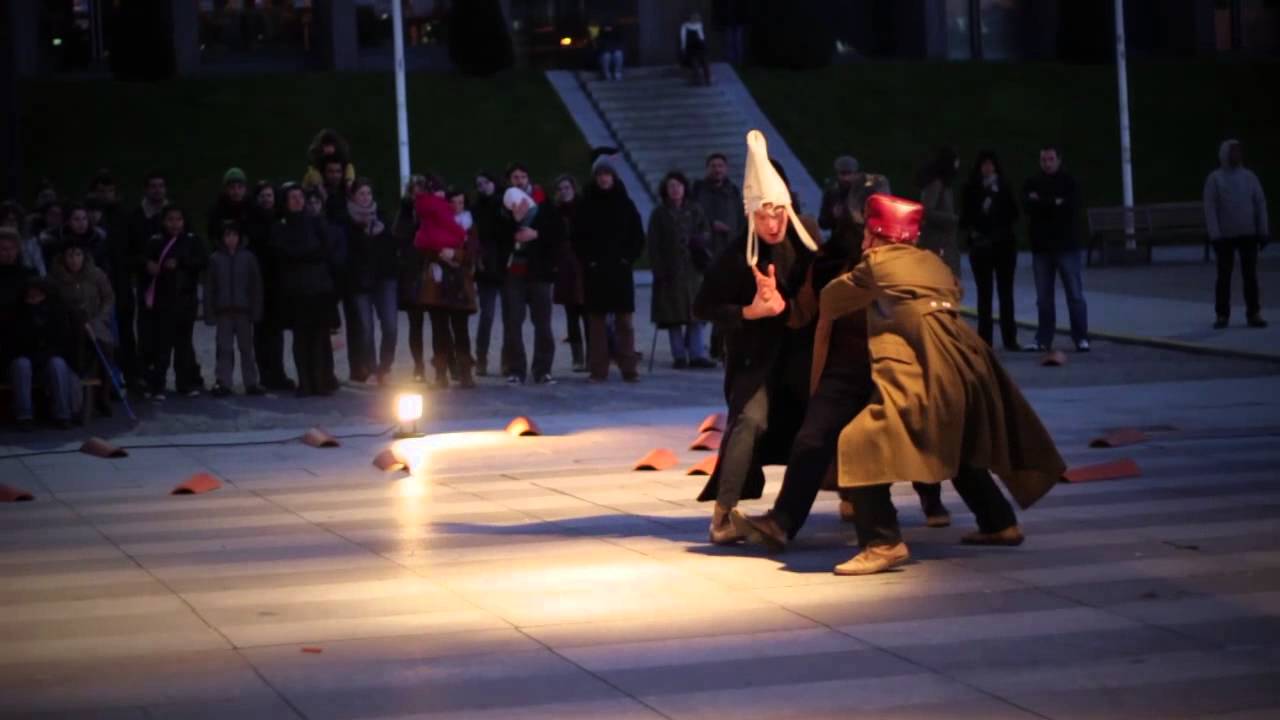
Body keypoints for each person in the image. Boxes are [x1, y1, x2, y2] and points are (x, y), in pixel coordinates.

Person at [810, 194, 1066, 575]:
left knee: (860, 439)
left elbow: (832, 299)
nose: (863, 239)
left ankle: (882, 541)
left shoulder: (877, 264)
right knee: (956, 441)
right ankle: (999, 522)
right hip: (969, 363)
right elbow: (952, 290)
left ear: (877, 234)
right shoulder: (933, 262)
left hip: (930, 366)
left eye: (867, 232)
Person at [731, 178, 951, 550]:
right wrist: (776, 303)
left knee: (913, 442)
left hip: (897, 368)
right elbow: (812, 308)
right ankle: (784, 522)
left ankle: (923, 520)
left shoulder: (913, 265)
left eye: (869, 231)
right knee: (816, 439)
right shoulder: (832, 261)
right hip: (845, 368)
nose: (862, 239)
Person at [693, 131, 821, 543]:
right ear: (751, 214)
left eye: (779, 213)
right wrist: (749, 311)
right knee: (749, 420)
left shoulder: (807, 242)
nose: (773, 224)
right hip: (756, 359)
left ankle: (863, 501)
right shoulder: (735, 256)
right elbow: (702, 306)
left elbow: (828, 282)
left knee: (829, 416)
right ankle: (723, 515)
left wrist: (794, 303)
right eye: (764, 215)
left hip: (802, 354)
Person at [573, 159, 645, 383]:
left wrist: (627, 259)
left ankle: (629, 369)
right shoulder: (586, 205)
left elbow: (637, 236)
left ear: (613, 178)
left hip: (620, 271)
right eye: (600, 175)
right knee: (596, 324)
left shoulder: (625, 203)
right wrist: (589, 261)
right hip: (595, 272)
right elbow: (577, 237)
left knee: (624, 322)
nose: (604, 179)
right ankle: (598, 369)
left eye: (607, 174)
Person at [273, 183, 336, 397]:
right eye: (293, 197)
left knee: (319, 336)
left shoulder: (315, 222)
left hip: (318, 289)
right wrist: (308, 253)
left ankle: (320, 381)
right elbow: (285, 253)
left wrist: (307, 254)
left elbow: (327, 249)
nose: (298, 200)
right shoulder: (281, 227)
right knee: (301, 338)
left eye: (300, 196)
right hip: (296, 291)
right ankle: (305, 382)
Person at [1024, 145, 1088, 352]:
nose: (1047, 163)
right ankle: (1044, 338)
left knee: (1074, 294)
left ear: (1059, 160)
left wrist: (1043, 203)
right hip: (1042, 248)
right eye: (1044, 160)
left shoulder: (1069, 182)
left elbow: (1070, 207)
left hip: (1066, 245)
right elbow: (1028, 207)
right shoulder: (1032, 182)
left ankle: (1080, 336)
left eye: (1051, 159)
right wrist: (1054, 203)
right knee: (1044, 298)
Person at [648, 171, 714, 369]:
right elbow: (653, 243)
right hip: (670, 271)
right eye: (671, 187)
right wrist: (658, 269)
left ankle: (696, 354)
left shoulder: (694, 210)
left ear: (684, 188)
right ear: (666, 190)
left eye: (678, 186)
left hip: (693, 270)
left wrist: (700, 240)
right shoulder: (660, 214)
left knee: (696, 314)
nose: (675, 190)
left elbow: (706, 230)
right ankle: (678, 355)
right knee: (673, 316)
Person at [140, 205, 206, 400]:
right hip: (163, 301)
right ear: (163, 221)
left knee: (184, 345)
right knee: (162, 345)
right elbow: (142, 261)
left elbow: (203, 262)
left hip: (186, 300)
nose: (175, 223)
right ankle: (158, 386)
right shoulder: (155, 241)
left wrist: (181, 262)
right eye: (170, 219)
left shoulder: (192, 241)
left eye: (178, 219)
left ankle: (184, 384)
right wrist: (148, 265)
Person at [961, 150, 1022, 350]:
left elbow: (1014, 213)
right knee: (984, 295)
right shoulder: (971, 189)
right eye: (984, 164)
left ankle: (1009, 338)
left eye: (990, 164)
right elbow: (965, 217)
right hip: (982, 247)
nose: (987, 168)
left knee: (1006, 294)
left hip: (1003, 246)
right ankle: (985, 339)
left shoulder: (1004, 187)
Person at [499, 184, 561, 385]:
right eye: (515, 177)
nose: (519, 181)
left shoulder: (545, 207)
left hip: (539, 273)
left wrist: (537, 234)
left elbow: (558, 234)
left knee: (543, 323)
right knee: (513, 323)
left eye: (523, 177)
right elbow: (496, 236)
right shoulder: (504, 210)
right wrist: (514, 222)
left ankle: (542, 370)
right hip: (514, 274)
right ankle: (516, 369)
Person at [419, 186, 479, 389]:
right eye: (452, 202)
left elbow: (473, 252)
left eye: (461, 202)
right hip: (438, 282)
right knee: (439, 330)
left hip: (459, 283)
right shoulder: (433, 223)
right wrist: (438, 254)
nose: (456, 206)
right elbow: (423, 246)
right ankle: (440, 374)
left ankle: (465, 373)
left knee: (461, 329)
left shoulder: (469, 225)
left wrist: (456, 255)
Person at [1205, 139, 1269, 329]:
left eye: (1238, 151)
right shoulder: (1215, 179)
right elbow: (1210, 208)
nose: (1237, 155)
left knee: (1250, 276)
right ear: (1224, 154)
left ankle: (1254, 313)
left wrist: (1263, 231)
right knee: (1224, 277)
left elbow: (1260, 203)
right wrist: (1215, 235)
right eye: (1233, 151)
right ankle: (1222, 315)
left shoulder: (1249, 177)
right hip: (1224, 237)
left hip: (1248, 234)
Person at [7, 279, 83, 430]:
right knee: (21, 365)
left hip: (50, 359)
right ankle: (24, 416)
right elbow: (13, 344)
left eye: (38, 296)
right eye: (31, 297)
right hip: (26, 358)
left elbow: (63, 343)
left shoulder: (57, 312)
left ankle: (63, 415)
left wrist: (46, 354)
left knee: (58, 364)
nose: (34, 300)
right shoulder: (18, 314)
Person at [690, 153, 744, 361]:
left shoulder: (733, 192)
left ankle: (718, 344)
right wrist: (711, 224)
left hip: (729, 252)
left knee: (725, 299)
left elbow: (740, 220)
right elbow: (693, 218)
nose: (717, 169)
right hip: (704, 253)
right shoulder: (699, 192)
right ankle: (694, 344)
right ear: (707, 168)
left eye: (720, 166)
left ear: (726, 169)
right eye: (713, 166)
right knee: (704, 299)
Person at [347, 178, 399, 385]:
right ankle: (370, 367)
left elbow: (392, 246)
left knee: (391, 326)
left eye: (368, 193)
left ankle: (385, 367)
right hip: (360, 281)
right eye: (361, 193)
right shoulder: (348, 222)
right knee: (366, 329)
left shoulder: (383, 218)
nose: (365, 197)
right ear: (353, 196)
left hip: (384, 277)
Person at [244, 180, 294, 391]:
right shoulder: (252, 221)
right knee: (262, 330)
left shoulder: (280, 219)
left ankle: (278, 373)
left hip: (277, 282)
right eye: (262, 196)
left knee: (276, 331)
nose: (266, 199)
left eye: (269, 195)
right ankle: (266, 374)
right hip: (260, 281)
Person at [204, 222, 264, 397]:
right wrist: (210, 312)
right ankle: (223, 382)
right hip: (224, 312)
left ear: (240, 237)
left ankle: (251, 382)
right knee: (224, 349)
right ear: (222, 238)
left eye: (234, 235)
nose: (231, 239)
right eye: (227, 235)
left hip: (243, 311)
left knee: (247, 349)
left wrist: (256, 310)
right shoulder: (215, 259)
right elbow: (209, 288)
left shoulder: (248, 258)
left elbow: (255, 286)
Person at [125, 170, 171, 387]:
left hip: (171, 282)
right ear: (146, 189)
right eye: (153, 186)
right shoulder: (136, 217)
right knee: (146, 332)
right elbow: (128, 251)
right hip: (147, 283)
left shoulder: (174, 214)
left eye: (161, 186)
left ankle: (164, 377)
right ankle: (145, 376)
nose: (157, 190)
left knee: (167, 333)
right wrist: (145, 263)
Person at [552, 175, 588, 373]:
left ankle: (593, 356)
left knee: (588, 313)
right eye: (560, 188)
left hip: (583, 265)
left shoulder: (584, 208)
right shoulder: (555, 212)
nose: (564, 191)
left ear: (574, 188)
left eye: (567, 187)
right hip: (565, 267)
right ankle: (577, 357)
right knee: (571, 314)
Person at [471, 172, 506, 377]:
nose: (482, 186)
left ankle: (507, 359)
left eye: (486, 182)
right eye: (479, 184)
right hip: (486, 266)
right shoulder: (476, 208)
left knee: (510, 317)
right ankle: (481, 357)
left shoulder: (503, 204)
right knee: (487, 315)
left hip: (504, 263)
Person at [917, 146, 963, 281]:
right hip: (938, 244)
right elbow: (927, 211)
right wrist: (953, 219)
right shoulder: (936, 184)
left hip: (943, 243)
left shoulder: (943, 185)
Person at [819, 155, 863, 253]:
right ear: (837, 174)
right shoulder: (831, 193)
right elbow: (822, 223)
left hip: (858, 243)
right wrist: (833, 216)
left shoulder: (863, 194)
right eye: (843, 174)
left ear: (856, 174)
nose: (846, 178)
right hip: (838, 243)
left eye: (849, 173)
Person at [207, 167, 252, 251]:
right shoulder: (216, 209)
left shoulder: (252, 207)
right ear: (225, 189)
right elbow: (212, 236)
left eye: (240, 187)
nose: (236, 191)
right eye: (232, 187)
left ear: (245, 189)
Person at [302, 128, 356, 195]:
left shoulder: (342, 154)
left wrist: (349, 182)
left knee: (350, 168)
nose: (328, 148)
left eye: (330, 145)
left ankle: (350, 189)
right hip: (319, 179)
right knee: (311, 173)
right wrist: (318, 185)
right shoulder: (316, 154)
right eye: (326, 145)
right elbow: (313, 167)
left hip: (341, 181)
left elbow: (348, 165)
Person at [680, 12, 711, 86]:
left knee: (705, 63)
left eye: (697, 18)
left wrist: (704, 46)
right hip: (691, 48)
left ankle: (707, 80)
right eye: (694, 18)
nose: (695, 20)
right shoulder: (685, 26)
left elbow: (702, 37)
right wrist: (683, 48)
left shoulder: (699, 25)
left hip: (699, 47)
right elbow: (683, 38)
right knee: (695, 64)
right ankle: (697, 80)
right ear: (691, 18)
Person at [712, 0, 748, 64]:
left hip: (736, 21)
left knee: (736, 42)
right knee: (731, 42)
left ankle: (738, 61)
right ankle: (733, 61)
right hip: (730, 22)